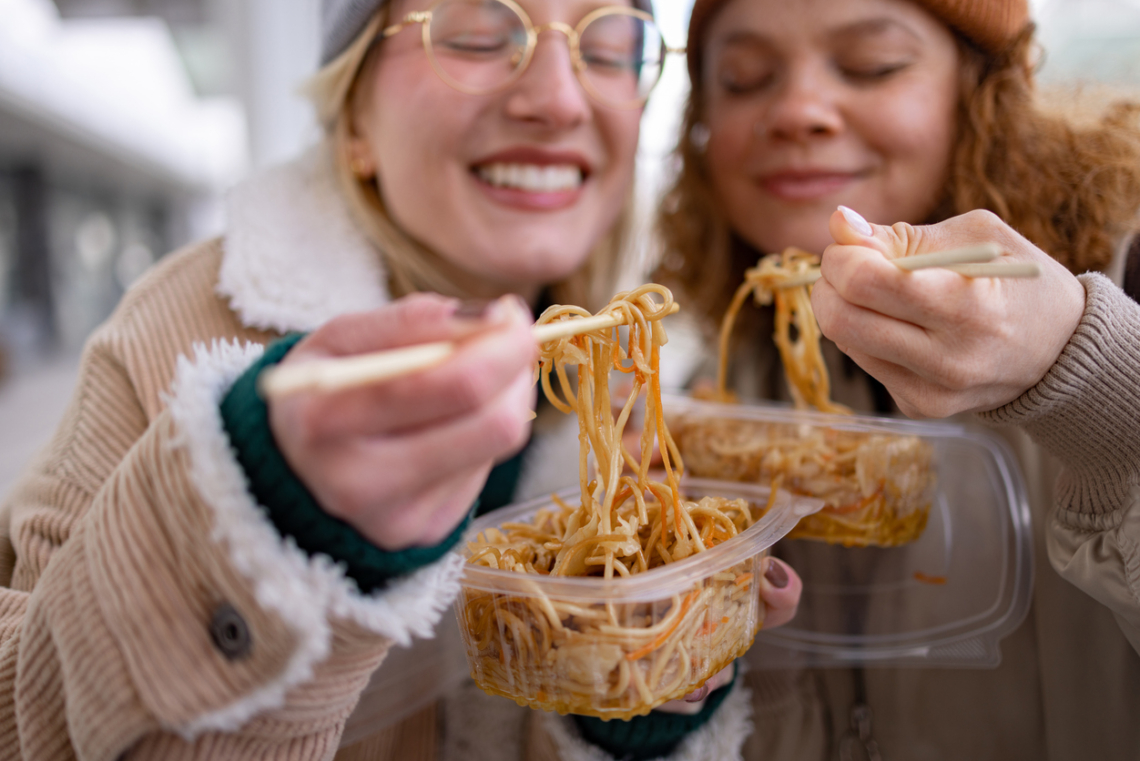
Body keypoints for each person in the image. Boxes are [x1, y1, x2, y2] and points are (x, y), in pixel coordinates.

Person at [0, 1, 803, 759]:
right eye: (479, 34)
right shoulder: (177, 337)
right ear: (353, 116)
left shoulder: (648, 376)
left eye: (606, 47)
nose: (559, 98)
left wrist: (636, 687)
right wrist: (258, 514)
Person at [654, 0, 1140, 758]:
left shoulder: (1127, 274)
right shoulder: (714, 396)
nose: (797, 110)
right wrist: (719, 668)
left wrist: (1089, 375)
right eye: (744, 78)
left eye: (872, 64)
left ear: (982, 92)